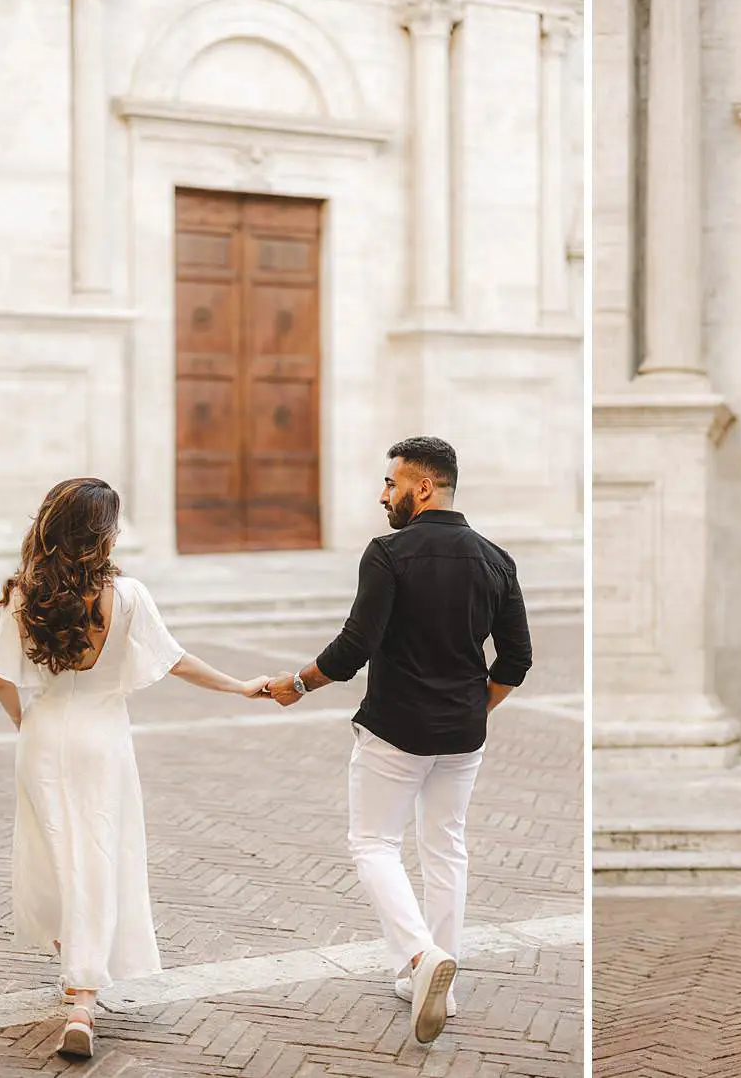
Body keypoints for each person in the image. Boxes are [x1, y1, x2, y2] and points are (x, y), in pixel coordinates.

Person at [0, 478, 271, 1059]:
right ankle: (84, 999)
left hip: (42, 735)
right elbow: (174, 660)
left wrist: (29, 726)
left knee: (54, 852)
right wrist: (240, 685)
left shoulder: (25, 595)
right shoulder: (130, 596)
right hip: (103, 738)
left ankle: (75, 966)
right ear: (102, 534)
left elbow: (0, 679)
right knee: (98, 855)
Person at [266, 436, 532, 1045]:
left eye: (391, 484)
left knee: (372, 844)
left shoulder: (387, 553)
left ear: (423, 488)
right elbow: (516, 658)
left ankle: (419, 957)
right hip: (464, 736)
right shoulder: (497, 559)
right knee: (446, 849)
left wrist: (298, 683)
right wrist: (473, 704)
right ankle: (443, 980)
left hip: (394, 731)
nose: (382, 495)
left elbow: (354, 646)